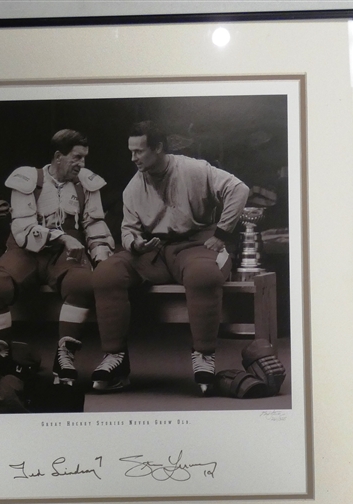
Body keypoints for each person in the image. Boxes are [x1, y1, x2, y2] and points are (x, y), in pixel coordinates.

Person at [91, 120, 249, 394]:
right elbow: (128, 231)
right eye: (131, 151)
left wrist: (222, 234)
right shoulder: (133, 188)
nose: (133, 158)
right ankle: (115, 357)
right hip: (155, 250)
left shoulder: (194, 169)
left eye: (139, 151)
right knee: (106, 273)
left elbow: (239, 189)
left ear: (158, 147)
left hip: (196, 245)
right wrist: (136, 244)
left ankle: (203, 355)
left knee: (203, 275)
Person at [0, 129, 115, 384]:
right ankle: (2, 357)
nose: (82, 164)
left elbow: (95, 225)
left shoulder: (86, 183)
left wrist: (103, 260)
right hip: (26, 250)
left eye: (84, 158)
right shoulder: (29, 179)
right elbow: (22, 229)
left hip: (66, 253)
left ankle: (64, 356)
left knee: (83, 284)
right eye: (76, 157)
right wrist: (62, 237)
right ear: (58, 156)